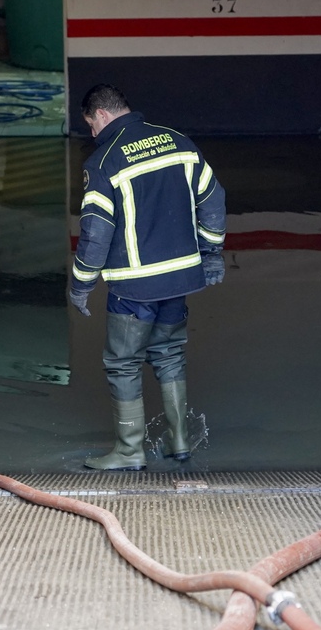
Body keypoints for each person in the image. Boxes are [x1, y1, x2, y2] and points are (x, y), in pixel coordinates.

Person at [69, 83, 226, 470]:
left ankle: (129, 450)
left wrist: (81, 284)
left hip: (134, 285)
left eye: (90, 124)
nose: (92, 133)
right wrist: (211, 252)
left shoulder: (103, 162)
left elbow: (95, 233)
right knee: (170, 354)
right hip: (180, 279)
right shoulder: (179, 142)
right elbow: (213, 198)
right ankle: (179, 442)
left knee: (123, 363)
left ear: (101, 115)